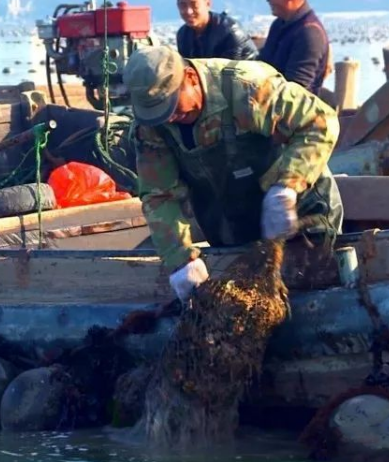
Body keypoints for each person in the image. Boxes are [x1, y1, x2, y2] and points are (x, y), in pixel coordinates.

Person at [125, 44, 343, 301]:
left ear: (191, 78)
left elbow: (320, 122)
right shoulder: (151, 128)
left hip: (300, 217)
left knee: (315, 299)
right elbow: (159, 196)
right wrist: (180, 260)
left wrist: (286, 187)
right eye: (158, 114)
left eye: (172, 106)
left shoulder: (245, 87)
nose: (168, 118)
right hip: (231, 229)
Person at [258, 0, 331, 95]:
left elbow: (296, 91)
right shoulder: (278, 25)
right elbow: (262, 66)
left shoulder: (309, 33)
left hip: (296, 112)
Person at [174, 0, 259, 63]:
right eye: (183, 5)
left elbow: (231, 71)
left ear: (208, 3)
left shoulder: (229, 31)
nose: (189, 11)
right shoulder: (183, 35)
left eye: (194, 5)